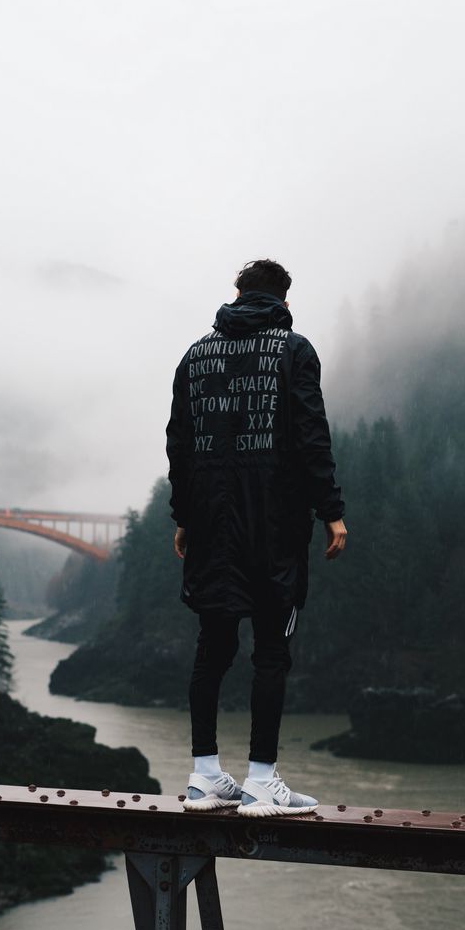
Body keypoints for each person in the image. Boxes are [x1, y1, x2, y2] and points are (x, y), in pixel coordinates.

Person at [166, 259, 346, 817]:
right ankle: (262, 781)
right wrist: (331, 512)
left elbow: (179, 445)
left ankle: (204, 777)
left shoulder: (194, 357)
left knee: (212, 648)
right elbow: (311, 436)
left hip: (212, 529)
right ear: (284, 299)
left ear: (237, 294)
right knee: (272, 649)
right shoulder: (294, 350)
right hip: (273, 527)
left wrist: (184, 516)